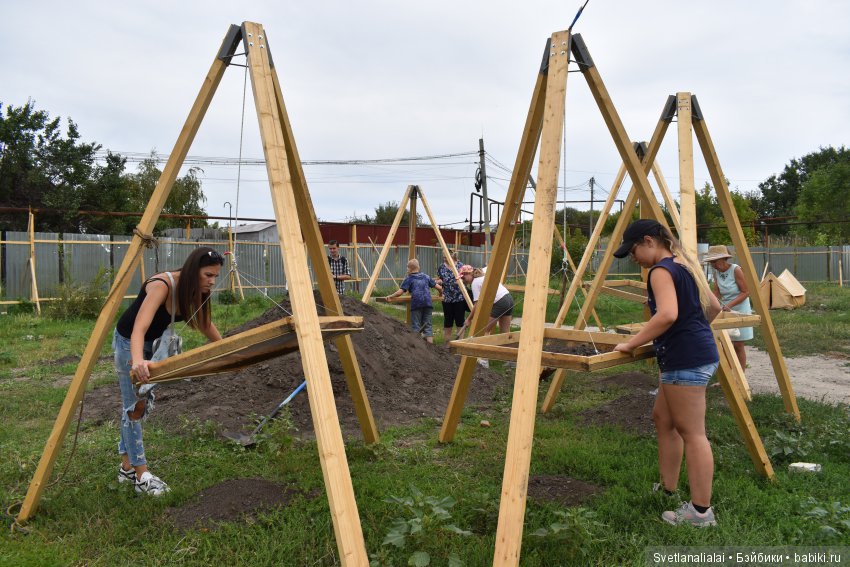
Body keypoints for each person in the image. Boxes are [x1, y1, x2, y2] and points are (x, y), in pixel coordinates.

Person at [611, 219, 722, 527]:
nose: (634, 258)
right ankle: (669, 488)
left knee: (693, 433)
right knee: (663, 419)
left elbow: (668, 314)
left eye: (633, 251)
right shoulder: (683, 265)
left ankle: (700, 512)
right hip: (693, 355)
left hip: (684, 360)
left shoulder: (660, 271)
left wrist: (631, 344)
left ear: (649, 241)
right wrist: (695, 331)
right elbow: (713, 307)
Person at [113, 247, 224, 495]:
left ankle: (127, 467)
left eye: (215, 276)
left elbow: (204, 323)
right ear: (192, 270)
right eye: (208, 275)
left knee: (134, 405)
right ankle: (142, 476)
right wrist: (137, 360)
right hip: (129, 344)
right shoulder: (163, 285)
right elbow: (138, 328)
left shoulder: (195, 291)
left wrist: (228, 349)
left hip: (152, 346)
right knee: (135, 407)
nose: (212, 281)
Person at [703, 244, 752, 370]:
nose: (713, 264)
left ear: (724, 259)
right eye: (711, 262)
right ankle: (730, 375)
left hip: (740, 308)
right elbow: (717, 293)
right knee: (725, 344)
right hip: (725, 308)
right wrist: (710, 304)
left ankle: (741, 376)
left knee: (738, 345)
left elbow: (745, 292)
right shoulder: (716, 273)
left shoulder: (736, 269)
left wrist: (729, 305)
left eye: (715, 261)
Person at [386, 258, 442, 343]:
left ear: (410, 269)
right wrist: (440, 294)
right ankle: (431, 347)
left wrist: (391, 296)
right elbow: (439, 287)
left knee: (416, 326)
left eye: (407, 268)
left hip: (417, 304)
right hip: (427, 303)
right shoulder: (426, 277)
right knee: (428, 326)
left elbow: (400, 292)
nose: (407, 270)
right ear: (418, 267)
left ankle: (417, 347)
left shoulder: (409, 279)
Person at [458, 265, 514, 335]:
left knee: (483, 331)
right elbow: (489, 266)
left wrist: (469, 319)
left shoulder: (475, 283)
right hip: (508, 298)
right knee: (505, 333)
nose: (463, 280)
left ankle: (483, 346)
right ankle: (508, 345)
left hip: (500, 302)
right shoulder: (482, 273)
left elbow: (477, 304)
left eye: (463, 278)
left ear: (469, 274)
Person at [435, 252, 467, 339]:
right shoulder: (441, 267)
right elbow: (439, 278)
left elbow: (466, 279)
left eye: (446, 257)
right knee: (448, 320)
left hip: (459, 297)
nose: (444, 259)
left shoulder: (460, 266)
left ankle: (460, 342)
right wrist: (439, 281)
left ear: (452, 257)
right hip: (447, 298)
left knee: (460, 320)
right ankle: (447, 343)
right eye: (444, 257)